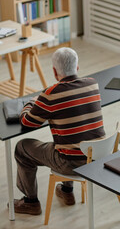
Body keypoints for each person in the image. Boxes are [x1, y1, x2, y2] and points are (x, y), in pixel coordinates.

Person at [13, 47, 105, 215]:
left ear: (55, 72)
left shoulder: (50, 95)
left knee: (22, 147)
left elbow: (26, 122)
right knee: (71, 139)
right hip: (97, 156)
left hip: (70, 163)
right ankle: (67, 191)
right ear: (77, 67)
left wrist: (31, 103)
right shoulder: (93, 84)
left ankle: (30, 202)